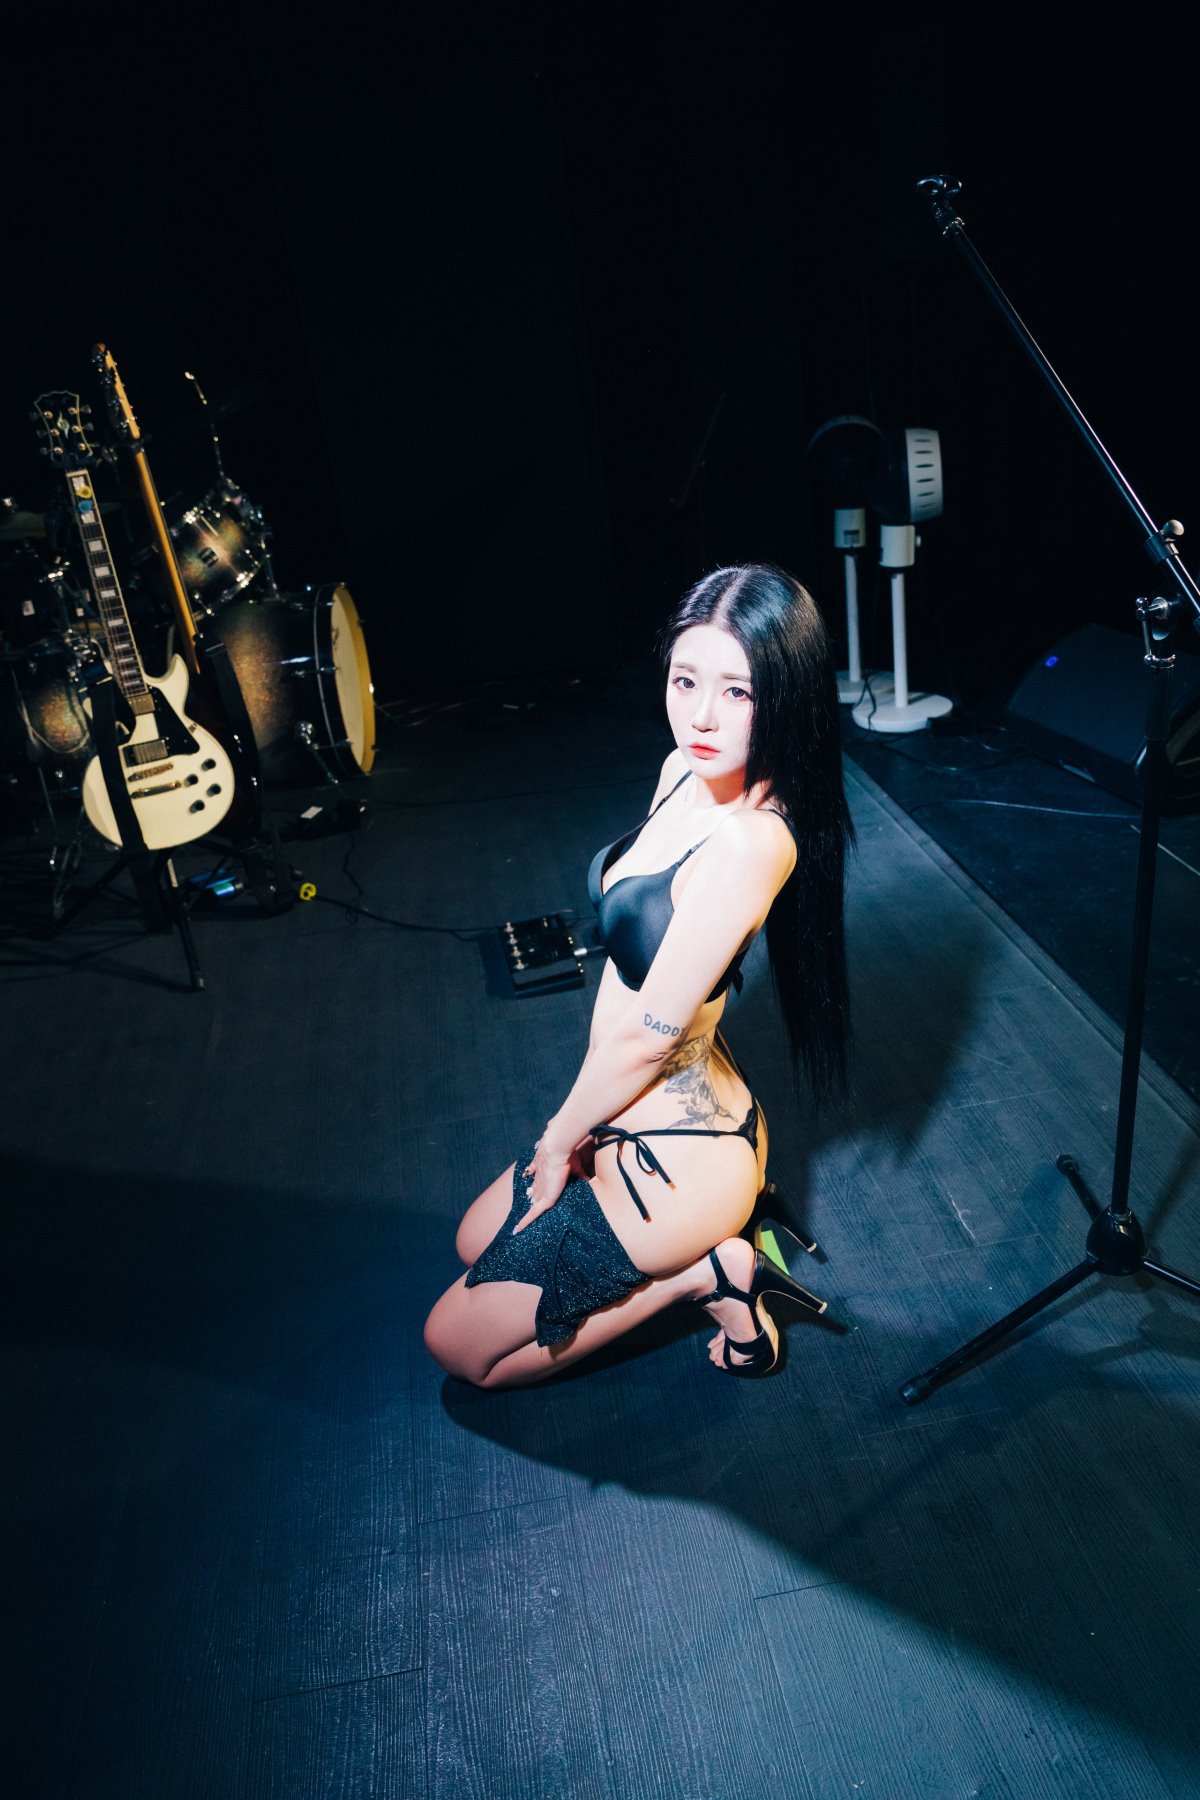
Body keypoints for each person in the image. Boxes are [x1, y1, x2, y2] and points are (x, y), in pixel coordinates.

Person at [423, 562, 853, 1389]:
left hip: (681, 1155)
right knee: (471, 1241)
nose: (701, 715)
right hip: (625, 1101)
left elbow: (649, 1038)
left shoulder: (752, 842)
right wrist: (583, 1121)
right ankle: (693, 1257)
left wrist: (562, 1136)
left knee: (460, 1351)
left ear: (788, 697)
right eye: (686, 680)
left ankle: (710, 1276)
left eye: (738, 691)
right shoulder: (682, 770)